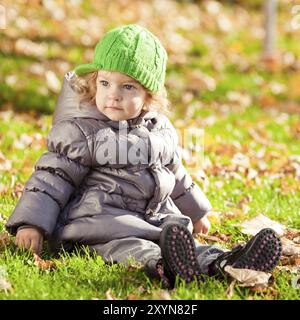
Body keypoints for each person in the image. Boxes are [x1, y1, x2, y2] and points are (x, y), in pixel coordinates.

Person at [5, 24, 282, 288]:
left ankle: (227, 262)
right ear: (94, 83)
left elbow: (176, 174)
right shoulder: (82, 131)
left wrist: (196, 212)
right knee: (136, 248)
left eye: (128, 87)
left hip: (157, 220)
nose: (113, 95)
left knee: (185, 242)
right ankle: (165, 265)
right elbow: (52, 177)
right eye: (105, 83)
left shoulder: (158, 129)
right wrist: (32, 223)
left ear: (149, 97)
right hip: (103, 224)